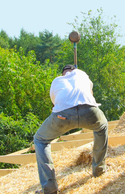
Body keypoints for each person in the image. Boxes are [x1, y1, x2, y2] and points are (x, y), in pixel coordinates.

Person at [34, 64, 108, 194]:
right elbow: (91, 94)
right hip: (89, 111)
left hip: (63, 115)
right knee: (101, 127)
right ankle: (99, 170)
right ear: (74, 70)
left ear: (63, 73)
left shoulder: (57, 80)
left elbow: (55, 103)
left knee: (40, 140)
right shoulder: (82, 74)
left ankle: (49, 189)